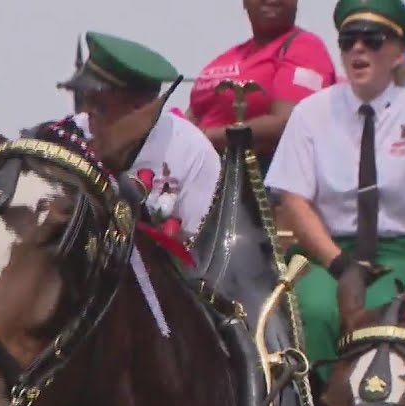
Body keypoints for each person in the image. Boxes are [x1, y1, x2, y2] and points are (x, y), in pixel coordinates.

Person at [265, 0, 405, 386]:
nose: (358, 49)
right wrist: (340, 265)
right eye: (348, 41)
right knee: (317, 311)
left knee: (393, 315)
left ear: (397, 52)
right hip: (325, 253)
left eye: (372, 40)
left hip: (400, 252)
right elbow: (294, 201)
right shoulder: (311, 113)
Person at [58, 31, 221, 235]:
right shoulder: (67, 136)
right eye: (86, 100)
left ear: (140, 110)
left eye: (99, 106)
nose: (87, 112)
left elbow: (200, 245)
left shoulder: (192, 152)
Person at [185, 0, 337, 173]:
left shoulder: (305, 48)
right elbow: (192, 115)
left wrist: (206, 138)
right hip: (201, 176)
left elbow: (289, 123)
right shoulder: (228, 57)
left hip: (257, 183)